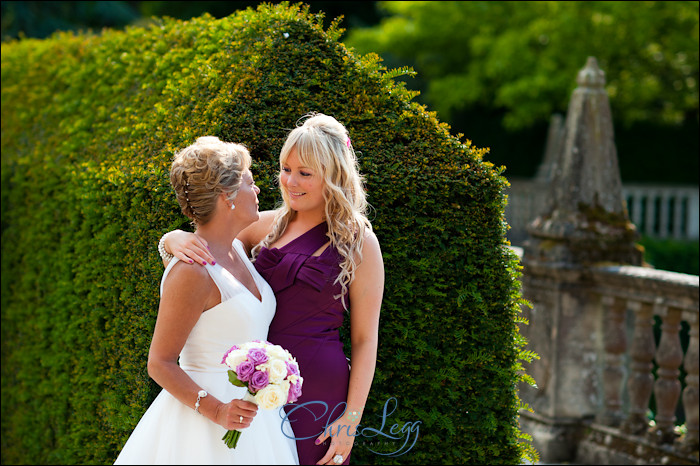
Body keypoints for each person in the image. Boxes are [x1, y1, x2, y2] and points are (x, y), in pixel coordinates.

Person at [161, 114, 384, 466]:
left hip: (317, 389)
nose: (290, 182)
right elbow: (207, 260)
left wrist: (351, 419)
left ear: (333, 175)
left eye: (305, 173)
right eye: (285, 169)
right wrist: (172, 239)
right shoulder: (261, 225)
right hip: (250, 385)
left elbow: (364, 339)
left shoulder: (359, 242)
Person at [115, 136, 299, 465]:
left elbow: (303, 215)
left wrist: (169, 239)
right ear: (226, 196)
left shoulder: (238, 247)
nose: (257, 191)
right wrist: (217, 410)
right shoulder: (192, 271)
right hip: (204, 424)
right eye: (250, 182)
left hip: (257, 418)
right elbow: (159, 362)